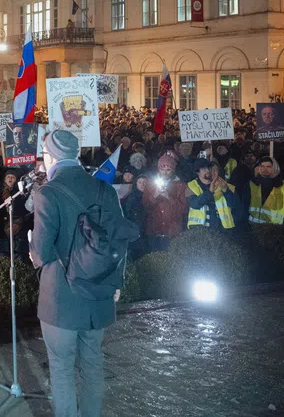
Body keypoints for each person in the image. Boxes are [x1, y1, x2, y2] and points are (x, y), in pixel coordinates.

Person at [30, 129, 126, 417]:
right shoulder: (105, 189)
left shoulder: (47, 193)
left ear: (50, 157)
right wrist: (116, 282)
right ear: (76, 155)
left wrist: (31, 246)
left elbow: (42, 254)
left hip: (62, 297)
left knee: (61, 368)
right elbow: (120, 239)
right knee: (93, 366)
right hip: (99, 291)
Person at [142, 152, 187, 252]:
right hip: (154, 230)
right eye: (162, 169)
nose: (165, 172)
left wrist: (168, 197)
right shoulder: (150, 184)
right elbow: (145, 206)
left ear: (173, 170)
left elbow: (183, 209)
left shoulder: (180, 185)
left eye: (168, 170)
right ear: (158, 169)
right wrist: (155, 196)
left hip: (173, 231)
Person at [185, 159, 240, 233]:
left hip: (222, 231)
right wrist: (210, 192)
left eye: (215, 170)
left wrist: (226, 191)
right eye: (207, 169)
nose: (210, 171)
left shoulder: (227, 186)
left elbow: (236, 205)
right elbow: (194, 204)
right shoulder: (192, 186)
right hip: (200, 230)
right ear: (197, 172)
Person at [241, 156, 284, 227]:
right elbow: (244, 206)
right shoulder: (252, 184)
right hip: (253, 228)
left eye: (269, 166)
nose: (265, 169)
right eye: (262, 166)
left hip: (276, 230)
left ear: (275, 168)